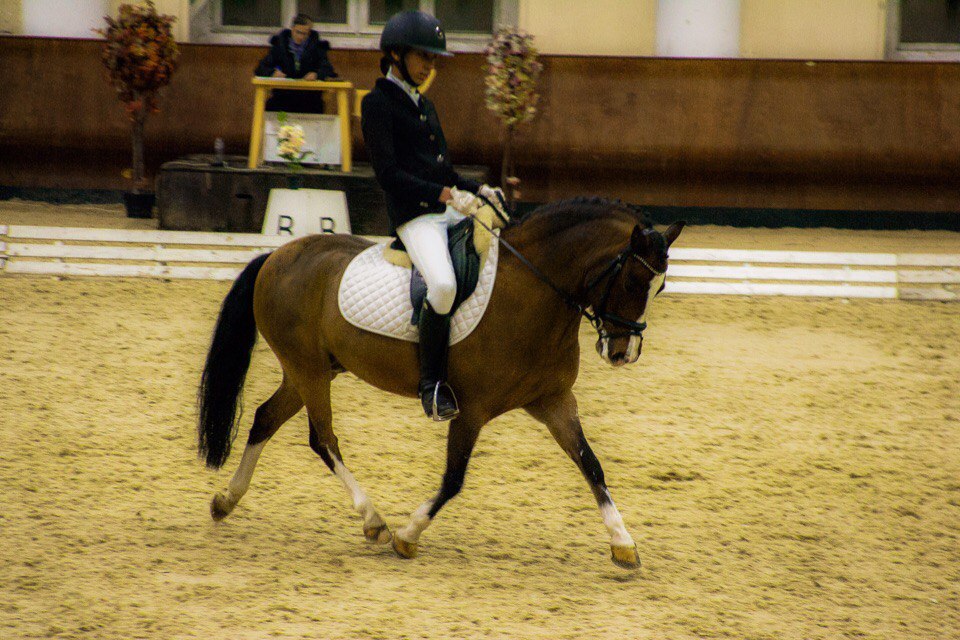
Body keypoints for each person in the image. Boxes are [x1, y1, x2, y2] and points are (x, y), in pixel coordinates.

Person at [361, 10, 503, 422]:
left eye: (433, 58)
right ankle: (431, 385)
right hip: (415, 217)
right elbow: (388, 175)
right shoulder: (377, 104)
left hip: (446, 209)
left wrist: (478, 189)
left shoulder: (426, 105)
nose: (429, 66)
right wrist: (445, 195)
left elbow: (445, 172)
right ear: (396, 55)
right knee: (441, 285)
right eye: (423, 56)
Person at [254, 13, 338, 114]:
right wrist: (272, 73)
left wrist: (317, 75)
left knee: (315, 109)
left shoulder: (317, 47)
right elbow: (260, 68)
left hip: (310, 100)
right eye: (298, 32)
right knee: (275, 113)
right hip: (283, 99)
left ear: (309, 33)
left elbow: (328, 70)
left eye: (305, 34)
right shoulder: (280, 45)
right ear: (292, 29)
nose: (300, 37)